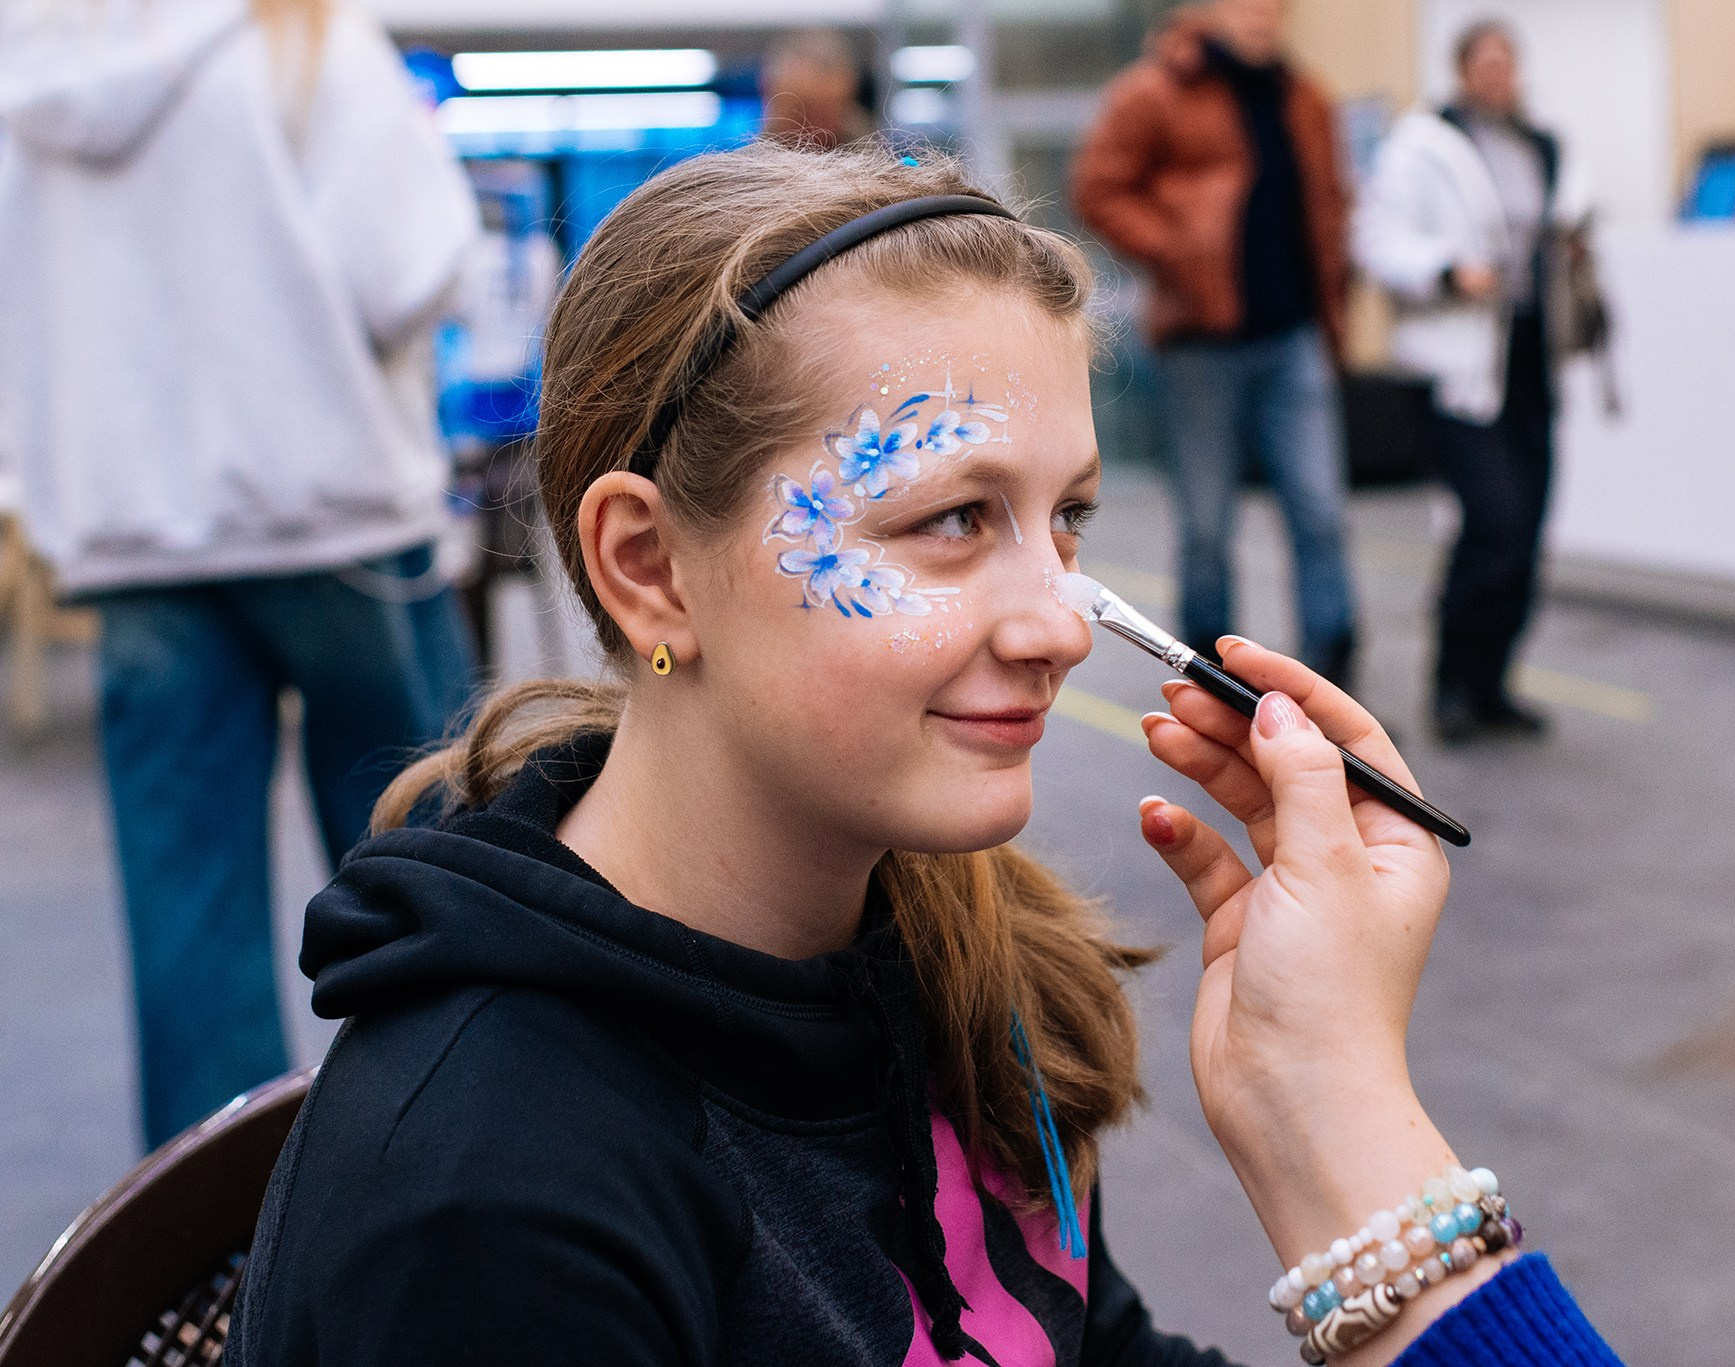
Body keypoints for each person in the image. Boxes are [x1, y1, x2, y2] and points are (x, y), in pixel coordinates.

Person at [224, 141, 1617, 1366]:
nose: (1057, 622)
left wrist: (1325, 1092)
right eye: (951, 517)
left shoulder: (949, 953)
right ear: (650, 567)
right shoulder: (493, 1199)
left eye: (1066, 516)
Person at [0, 0, 480, 1148]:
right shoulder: (297, 36)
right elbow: (413, 268)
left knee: (187, 929)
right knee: (435, 875)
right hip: (334, 519)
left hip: (132, 540)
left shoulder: (28, 70)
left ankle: (218, 1242)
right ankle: (457, 1160)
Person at [1073, 0, 1360, 692]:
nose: (1262, 14)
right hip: (1200, 343)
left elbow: (1328, 204)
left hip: (1294, 334)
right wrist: (1175, 250)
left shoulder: (1305, 94)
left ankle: (1332, 678)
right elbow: (1096, 188)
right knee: (1206, 522)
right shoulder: (1155, 90)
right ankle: (1212, 680)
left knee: (1320, 509)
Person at [1358, 20, 1584, 743]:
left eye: (1507, 60)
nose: (1498, 72)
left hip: (1527, 361)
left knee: (1526, 534)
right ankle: (1452, 686)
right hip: (1458, 366)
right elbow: (1378, 239)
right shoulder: (1422, 147)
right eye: (1485, 60)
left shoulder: (1538, 144)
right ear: (1461, 68)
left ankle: (1494, 686)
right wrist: (1449, 268)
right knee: (1492, 521)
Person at [759, 27, 872, 151]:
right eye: (800, 115)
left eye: (825, 115)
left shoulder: (876, 160)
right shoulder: (745, 167)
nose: (812, 131)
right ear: (768, 96)